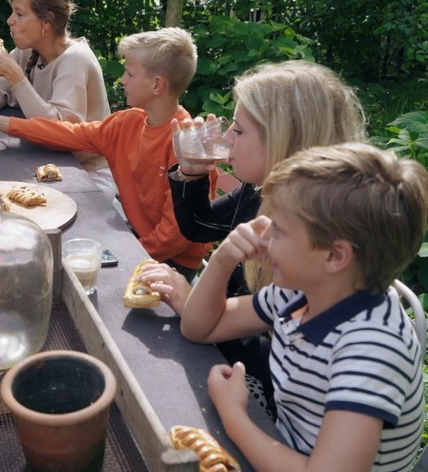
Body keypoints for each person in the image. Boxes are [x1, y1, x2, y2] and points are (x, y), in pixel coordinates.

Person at [138, 60, 368, 415]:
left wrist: (196, 304)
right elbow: (201, 226)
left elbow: (277, 358)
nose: (226, 137)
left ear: (285, 140)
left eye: (239, 131)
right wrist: (192, 173)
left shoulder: (315, 245)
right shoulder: (259, 190)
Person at [180, 142, 426, 471]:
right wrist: (224, 258)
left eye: (278, 230)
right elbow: (200, 328)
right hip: (281, 446)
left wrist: (234, 416)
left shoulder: (371, 348)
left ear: (335, 256)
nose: (263, 240)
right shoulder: (302, 293)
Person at [0, 27, 215, 279]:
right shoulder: (127, 123)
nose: (122, 80)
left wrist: (127, 256)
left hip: (170, 263)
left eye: (130, 74)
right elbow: (68, 133)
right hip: (135, 239)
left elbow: (175, 235)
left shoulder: (187, 145)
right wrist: (0, 123)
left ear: (157, 85)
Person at [0, 0, 112, 191]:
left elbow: (59, 133)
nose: (10, 20)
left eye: (19, 14)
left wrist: (15, 76)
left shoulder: (74, 59)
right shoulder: (28, 51)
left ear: (46, 22)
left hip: (88, 174)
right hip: (43, 163)